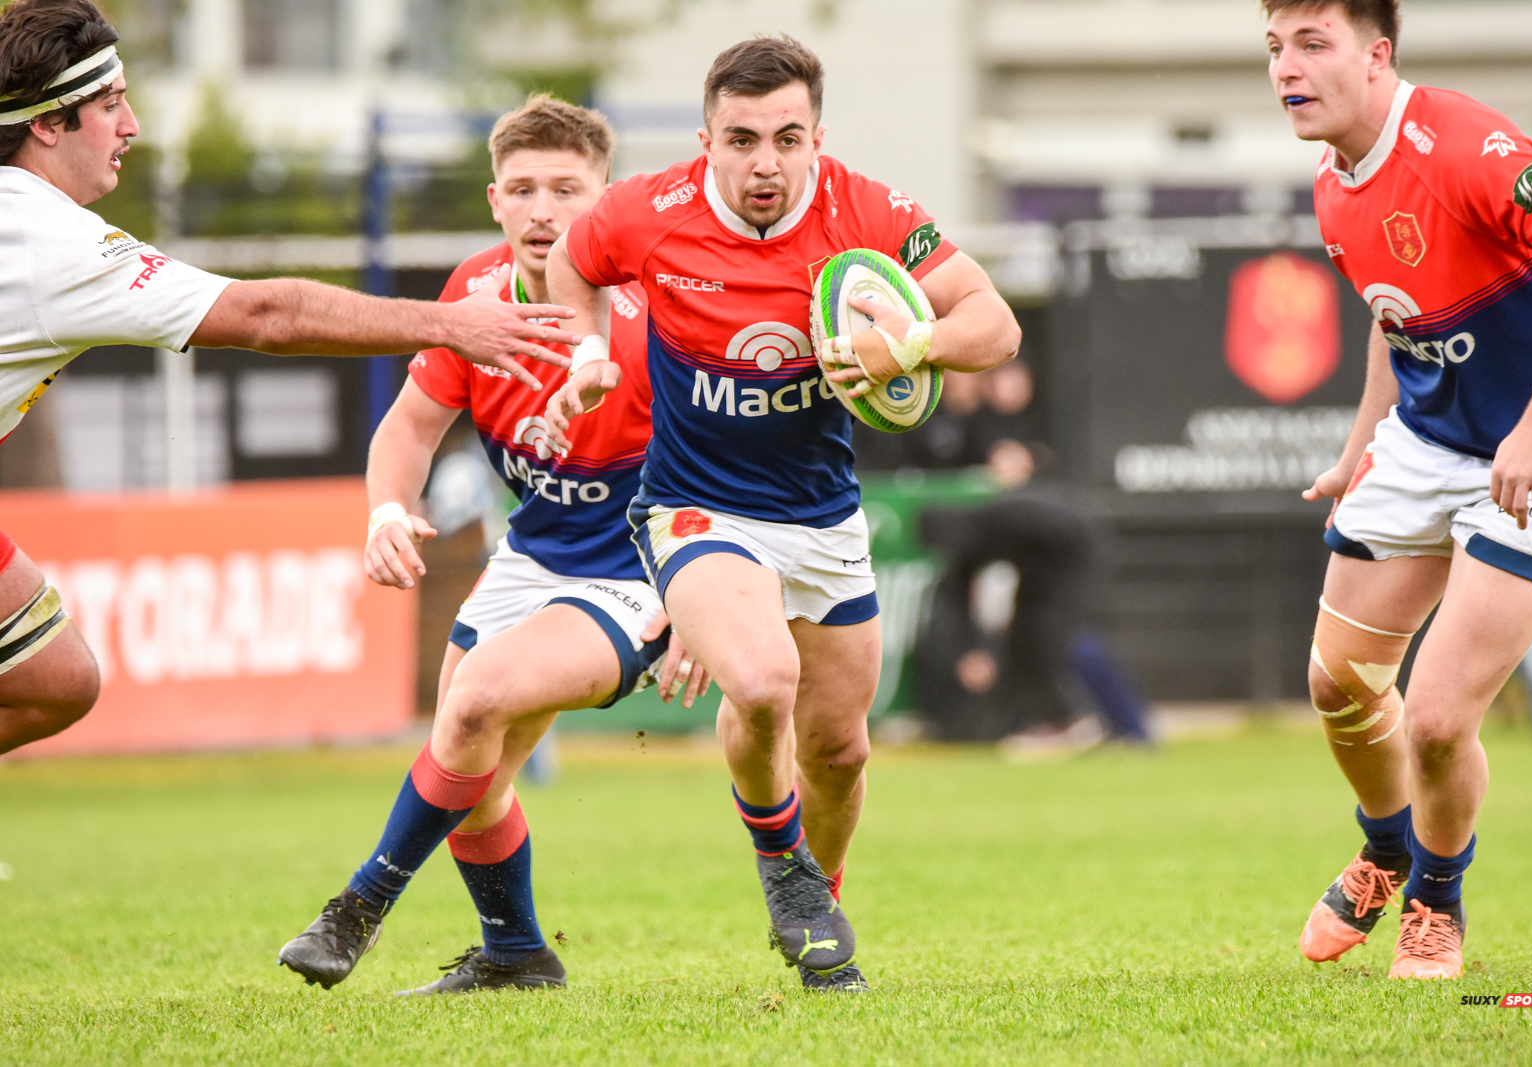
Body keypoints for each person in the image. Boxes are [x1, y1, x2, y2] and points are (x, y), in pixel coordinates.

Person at [543, 35, 1021, 991]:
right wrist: (585, 352)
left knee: (840, 748)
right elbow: (571, 262)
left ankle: (818, 894)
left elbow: (995, 324)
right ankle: (781, 868)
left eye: (787, 138)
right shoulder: (647, 211)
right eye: (742, 139)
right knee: (763, 683)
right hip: (697, 507)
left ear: (816, 139)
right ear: (706, 140)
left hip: (824, 515)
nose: (766, 162)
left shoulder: (870, 210)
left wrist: (909, 345)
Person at [0, 0, 579, 756]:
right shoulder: (52, 241)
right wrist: (451, 323)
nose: (132, 125)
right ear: (46, 124)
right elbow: (267, 313)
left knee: (57, 677)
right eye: (109, 106)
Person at [276, 94, 708, 995]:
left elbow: (720, 470)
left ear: (607, 198)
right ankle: (515, 951)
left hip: (638, 567)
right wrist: (387, 512)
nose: (545, 209)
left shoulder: (652, 312)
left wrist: (698, 603)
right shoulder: (473, 297)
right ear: (495, 201)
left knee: (476, 705)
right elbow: (407, 429)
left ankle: (357, 906)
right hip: (532, 556)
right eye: (524, 189)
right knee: (474, 764)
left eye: (568, 189)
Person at [1266, 0, 1532, 978]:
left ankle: (1435, 903)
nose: (1287, 66)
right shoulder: (1333, 181)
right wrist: (1358, 444)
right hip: (1422, 444)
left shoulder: (1462, 143)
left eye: (1311, 43)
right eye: (1275, 47)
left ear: (1377, 55)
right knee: (1336, 684)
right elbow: (1392, 314)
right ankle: (1385, 845)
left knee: (1439, 717)